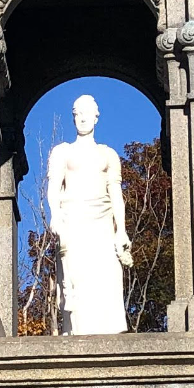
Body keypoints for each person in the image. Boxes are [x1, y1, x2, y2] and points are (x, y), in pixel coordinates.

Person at [47, 95, 132, 335]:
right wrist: (55, 215)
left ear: (97, 116)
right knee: (76, 281)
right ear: (73, 117)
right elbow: (54, 187)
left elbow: (116, 193)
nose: (82, 118)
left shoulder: (108, 155)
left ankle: (110, 333)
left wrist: (121, 230)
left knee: (108, 277)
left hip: (103, 222)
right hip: (73, 220)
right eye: (77, 113)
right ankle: (77, 333)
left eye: (87, 113)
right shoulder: (62, 152)